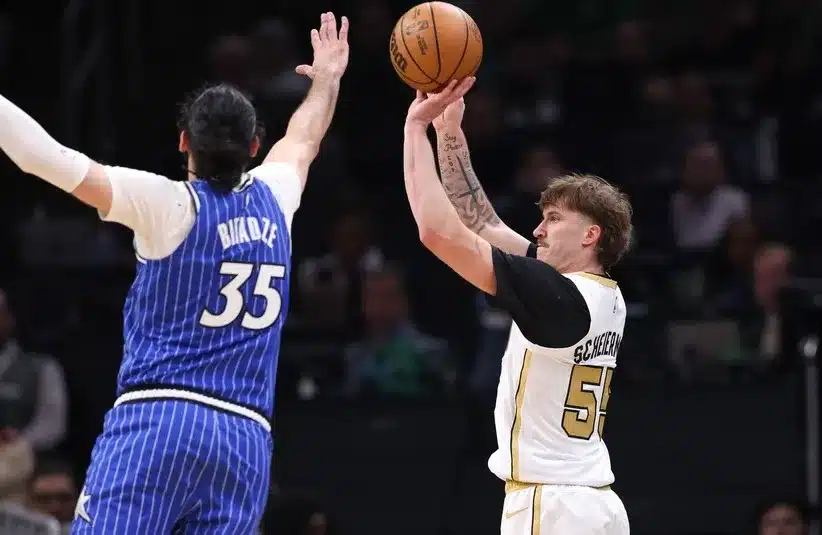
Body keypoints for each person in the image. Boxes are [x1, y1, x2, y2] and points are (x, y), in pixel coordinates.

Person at [0, 11, 349, 534]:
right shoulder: (278, 195)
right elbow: (305, 135)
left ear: (184, 141)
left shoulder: (168, 205)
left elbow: (42, 158)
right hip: (244, 438)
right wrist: (327, 78)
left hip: (159, 420)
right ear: (255, 147)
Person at [403, 79, 633, 535]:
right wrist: (450, 132)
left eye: (553, 219)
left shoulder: (555, 296)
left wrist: (415, 128)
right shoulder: (602, 293)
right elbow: (482, 221)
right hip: (596, 505)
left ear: (591, 236)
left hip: (552, 506)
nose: (539, 230)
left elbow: (436, 232)